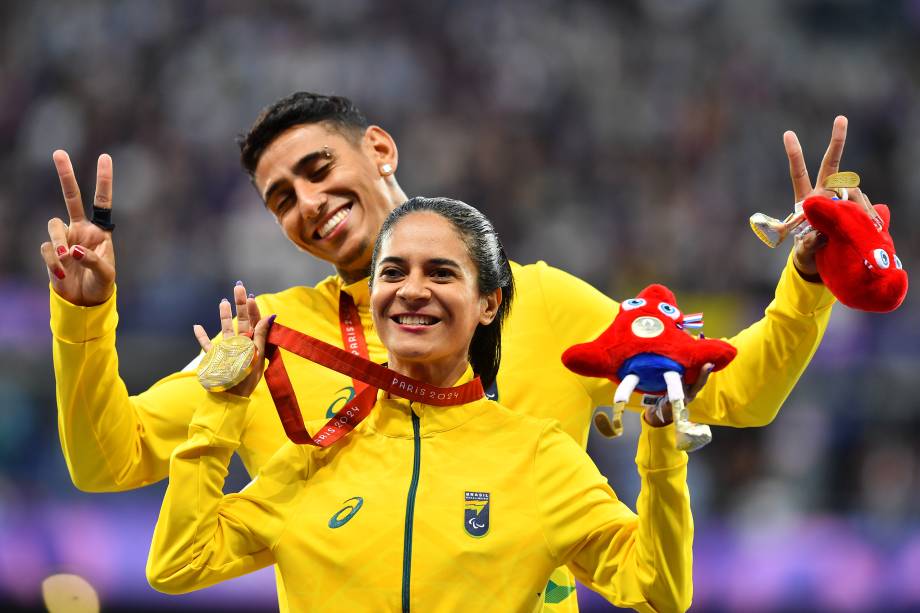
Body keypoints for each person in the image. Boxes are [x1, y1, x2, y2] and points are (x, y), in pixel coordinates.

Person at [42, 92, 840, 610]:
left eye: (319, 170)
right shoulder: (264, 340)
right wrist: (84, 318)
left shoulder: (547, 303)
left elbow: (739, 395)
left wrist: (808, 274)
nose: (309, 205)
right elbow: (108, 462)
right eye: (282, 199)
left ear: (380, 149)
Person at [146, 197, 694, 613]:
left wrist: (661, 442)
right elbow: (178, 563)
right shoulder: (314, 459)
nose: (411, 289)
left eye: (440, 272)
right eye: (393, 272)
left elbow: (658, 588)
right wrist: (224, 407)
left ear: (488, 302)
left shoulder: (538, 456)